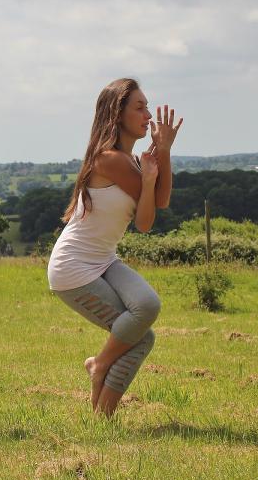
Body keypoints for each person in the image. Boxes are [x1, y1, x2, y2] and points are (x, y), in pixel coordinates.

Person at [47, 78, 182, 415]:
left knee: (146, 309)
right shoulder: (110, 159)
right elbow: (149, 216)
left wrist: (163, 152)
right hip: (73, 268)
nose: (148, 115)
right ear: (116, 113)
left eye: (148, 107)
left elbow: (156, 205)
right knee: (142, 330)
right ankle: (100, 366)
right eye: (139, 107)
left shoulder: (130, 161)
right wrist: (157, 161)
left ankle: (101, 415)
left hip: (103, 260)